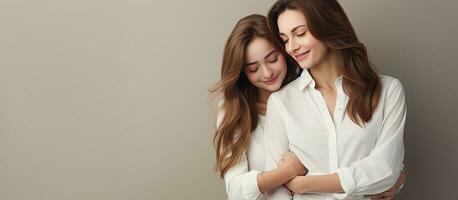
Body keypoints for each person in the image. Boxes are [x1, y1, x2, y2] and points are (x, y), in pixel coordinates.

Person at [263, 0, 407, 199]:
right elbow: (276, 191)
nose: (292, 47)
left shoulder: (388, 91)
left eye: (300, 33)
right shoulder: (281, 103)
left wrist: (303, 184)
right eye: (285, 39)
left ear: (327, 25)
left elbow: (386, 170)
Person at [210, 14, 304, 200]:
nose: (267, 73)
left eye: (272, 59)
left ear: (284, 50)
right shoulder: (233, 111)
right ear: (243, 72)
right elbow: (235, 190)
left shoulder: (308, 94)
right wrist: (287, 172)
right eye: (253, 69)